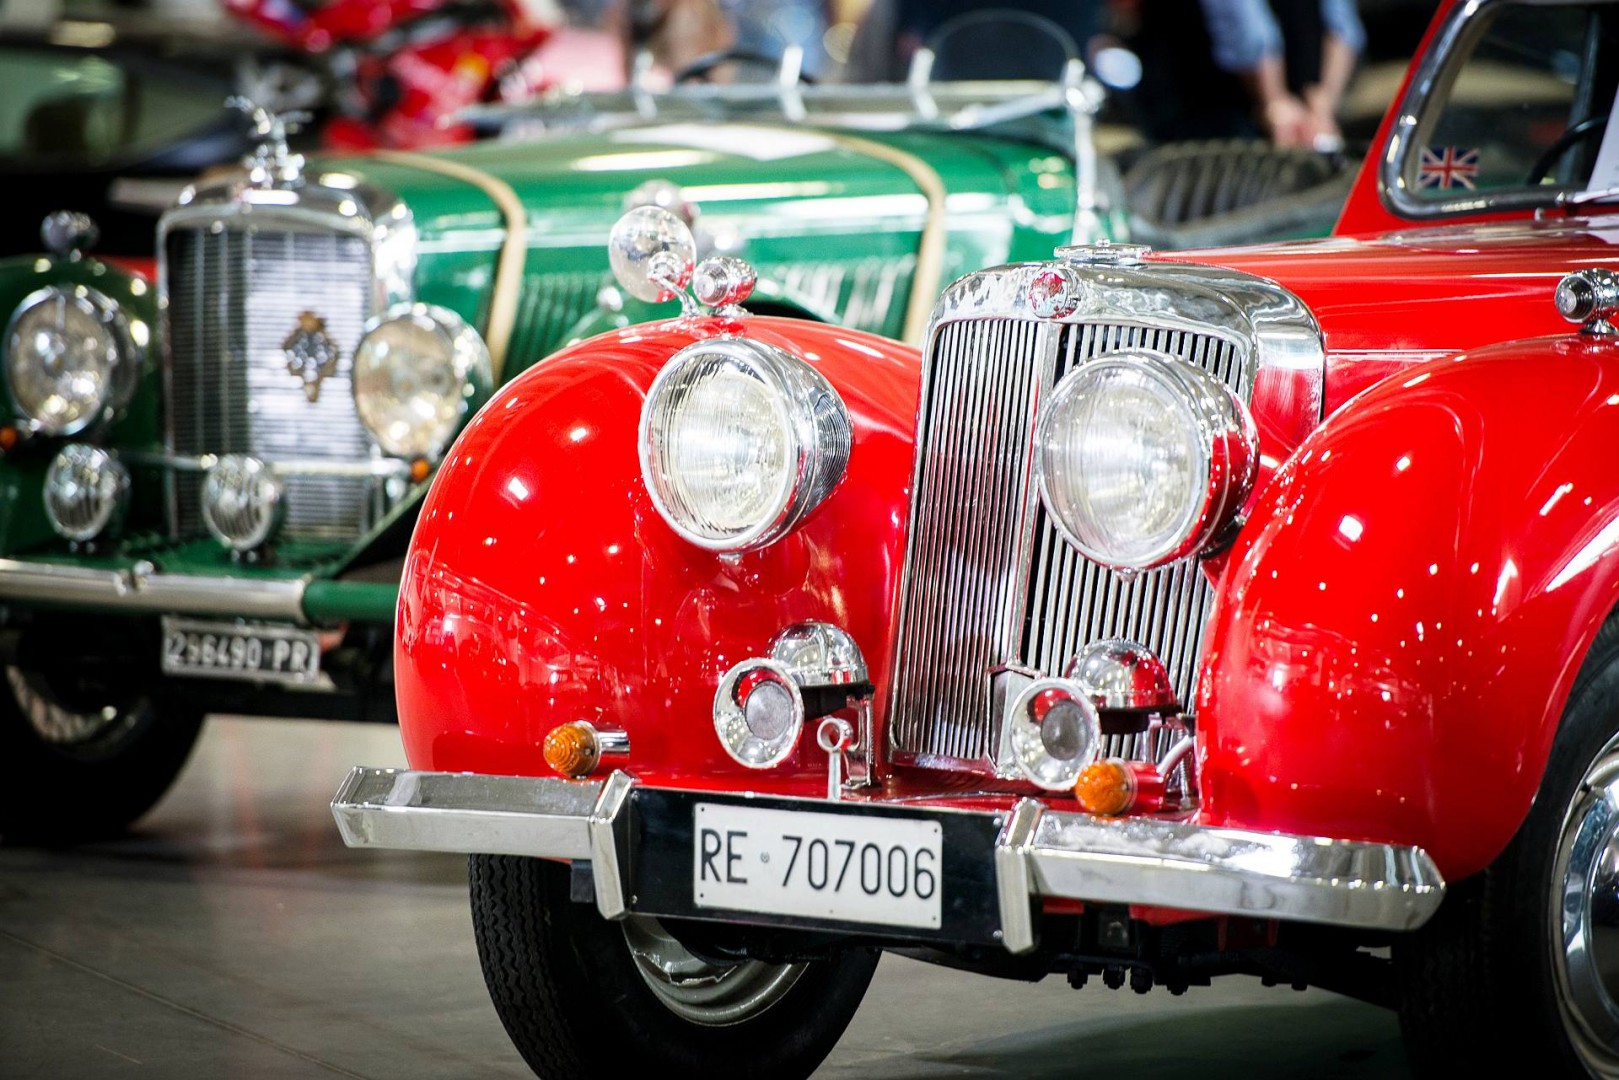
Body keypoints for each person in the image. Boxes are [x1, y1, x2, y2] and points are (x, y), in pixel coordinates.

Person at [1133, 0, 1365, 149]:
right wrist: (1321, 103)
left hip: (1240, 112)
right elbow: (1345, 29)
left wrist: (1280, 103)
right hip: (1227, 102)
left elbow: (1247, 31)